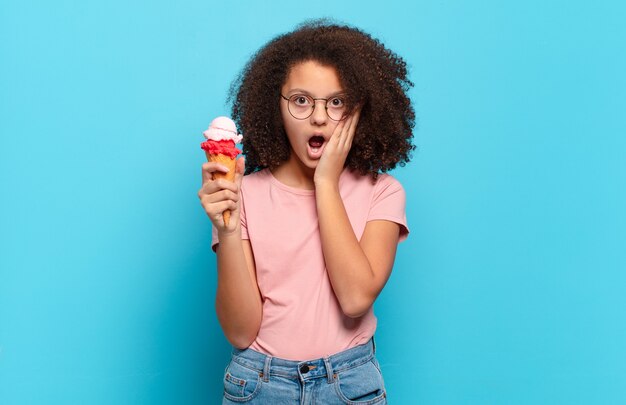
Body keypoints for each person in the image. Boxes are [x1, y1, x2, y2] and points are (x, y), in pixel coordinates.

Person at [198, 19, 415, 404]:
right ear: (274, 106)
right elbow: (239, 331)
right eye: (301, 100)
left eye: (336, 102)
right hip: (259, 385)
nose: (318, 117)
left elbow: (355, 299)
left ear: (359, 109)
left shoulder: (382, 193)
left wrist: (326, 184)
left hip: (349, 384)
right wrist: (228, 230)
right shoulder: (240, 192)